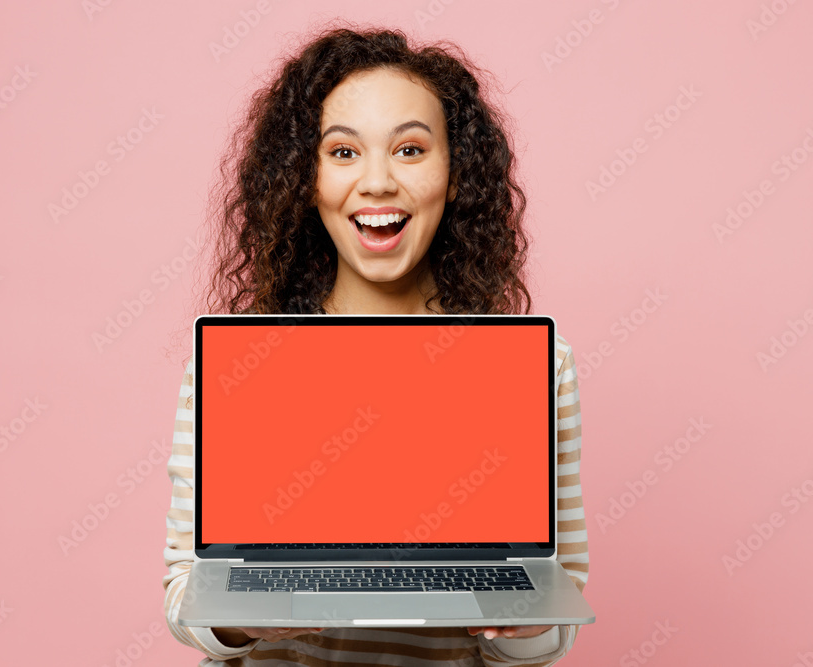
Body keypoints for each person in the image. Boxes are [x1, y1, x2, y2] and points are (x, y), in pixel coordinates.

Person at [162, 23, 589, 666]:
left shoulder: (532, 367)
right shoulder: (242, 363)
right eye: (343, 152)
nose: (378, 183)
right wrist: (236, 620)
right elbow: (183, 593)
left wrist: (526, 630)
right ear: (305, 180)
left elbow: (559, 597)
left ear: (456, 174)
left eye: (410, 150)